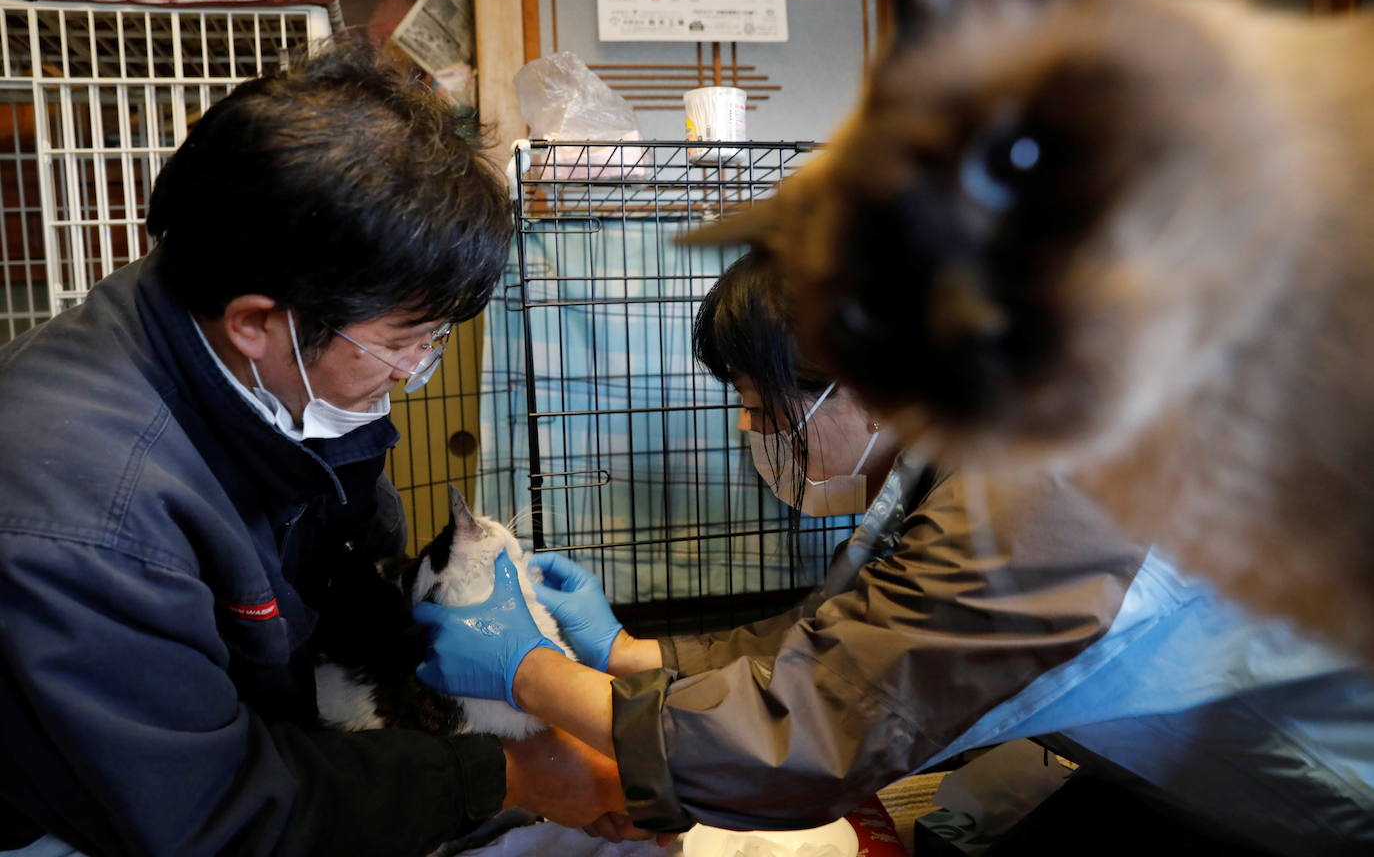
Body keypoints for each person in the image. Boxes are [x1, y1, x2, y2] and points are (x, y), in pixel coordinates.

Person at [412, 250, 1374, 855]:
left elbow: (819, 735)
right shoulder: (978, 448)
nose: (751, 428)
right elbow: (838, 637)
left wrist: (532, 673)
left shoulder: (1052, 489)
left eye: (762, 404)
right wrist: (625, 652)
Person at [0, 43, 631, 857]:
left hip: (258, 742)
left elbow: (351, 566)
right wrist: (503, 775)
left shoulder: (288, 376)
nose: (414, 372)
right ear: (258, 322)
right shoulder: (86, 521)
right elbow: (208, 813)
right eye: (408, 343)